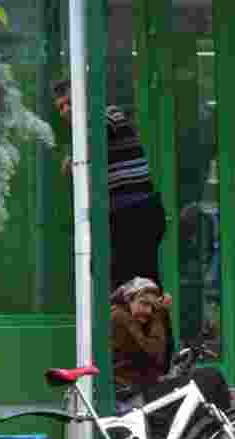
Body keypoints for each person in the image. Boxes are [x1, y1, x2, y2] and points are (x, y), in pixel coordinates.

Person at [53, 80, 166, 291]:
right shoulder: (87, 129)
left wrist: (72, 157)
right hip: (120, 213)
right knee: (117, 279)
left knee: (140, 283)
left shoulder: (110, 114)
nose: (65, 110)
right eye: (60, 107)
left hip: (136, 210)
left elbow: (95, 138)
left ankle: (151, 322)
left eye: (69, 102)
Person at [110, 277, 231, 439]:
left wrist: (163, 316)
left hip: (142, 390)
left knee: (208, 378)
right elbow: (153, 352)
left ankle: (214, 432)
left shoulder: (133, 318)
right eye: (144, 304)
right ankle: (218, 431)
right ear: (129, 299)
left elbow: (163, 360)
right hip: (133, 395)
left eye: (152, 307)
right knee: (211, 377)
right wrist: (159, 314)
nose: (148, 311)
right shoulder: (119, 316)